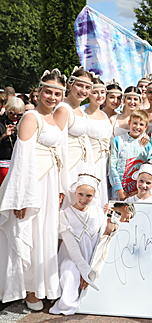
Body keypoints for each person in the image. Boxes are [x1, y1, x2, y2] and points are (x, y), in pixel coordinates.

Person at [0, 69, 65, 309]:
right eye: (48, 91)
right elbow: (22, 159)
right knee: (31, 234)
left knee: (46, 233)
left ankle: (43, 285)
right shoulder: (31, 117)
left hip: (49, 182)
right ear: (39, 92)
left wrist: (59, 186)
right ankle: (29, 290)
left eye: (57, 93)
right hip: (32, 183)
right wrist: (20, 198)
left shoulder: (55, 117)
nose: (52, 97)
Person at [49, 174, 119, 315]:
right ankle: (69, 304)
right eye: (80, 194)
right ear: (75, 192)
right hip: (73, 257)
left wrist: (112, 217)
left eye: (89, 196)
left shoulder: (99, 212)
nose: (84, 199)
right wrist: (85, 271)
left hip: (93, 256)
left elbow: (106, 236)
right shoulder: (64, 214)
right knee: (69, 272)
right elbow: (72, 247)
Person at [54, 66, 95, 209]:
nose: (83, 91)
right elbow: (58, 145)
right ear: (71, 84)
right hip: (68, 166)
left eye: (87, 87)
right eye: (79, 85)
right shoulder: (63, 109)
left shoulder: (81, 111)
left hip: (82, 165)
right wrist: (59, 183)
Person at [109, 110, 152, 200]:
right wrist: (119, 190)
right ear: (129, 123)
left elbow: (148, 168)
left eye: (141, 125)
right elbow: (112, 166)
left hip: (139, 190)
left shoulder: (147, 144)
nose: (137, 127)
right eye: (135, 123)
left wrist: (137, 191)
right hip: (119, 189)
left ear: (146, 127)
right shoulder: (118, 140)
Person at [85, 77, 113, 207]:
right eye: (95, 92)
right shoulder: (84, 115)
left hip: (105, 162)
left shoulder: (104, 115)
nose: (99, 95)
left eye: (102, 92)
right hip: (91, 162)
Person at [0, 97, 25, 184]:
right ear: (7, 110)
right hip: (5, 160)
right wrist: (4, 136)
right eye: (12, 113)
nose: (15, 116)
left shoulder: (25, 122)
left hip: (21, 160)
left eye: (19, 114)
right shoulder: (1, 121)